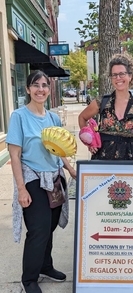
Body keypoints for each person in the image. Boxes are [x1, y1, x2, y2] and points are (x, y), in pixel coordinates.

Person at [6, 70, 76, 293]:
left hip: (55, 179)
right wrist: (21, 189)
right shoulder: (19, 116)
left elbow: (59, 148)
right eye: (35, 85)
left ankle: (46, 265)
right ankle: (29, 279)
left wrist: (70, 169)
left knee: (50, 226)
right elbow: (14, 154)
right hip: (33, 179)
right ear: (28, 89)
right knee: (38, 230)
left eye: (45, 85)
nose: (41, 89)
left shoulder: (53, 118)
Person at [78, 52, 133, 160]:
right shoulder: (102, 102)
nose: (118, 78)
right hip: (102, 163)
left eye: (122, 74)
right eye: (114, 75)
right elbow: (82, 118)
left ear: (130, 76)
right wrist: (90, 141)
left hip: (129, 165)